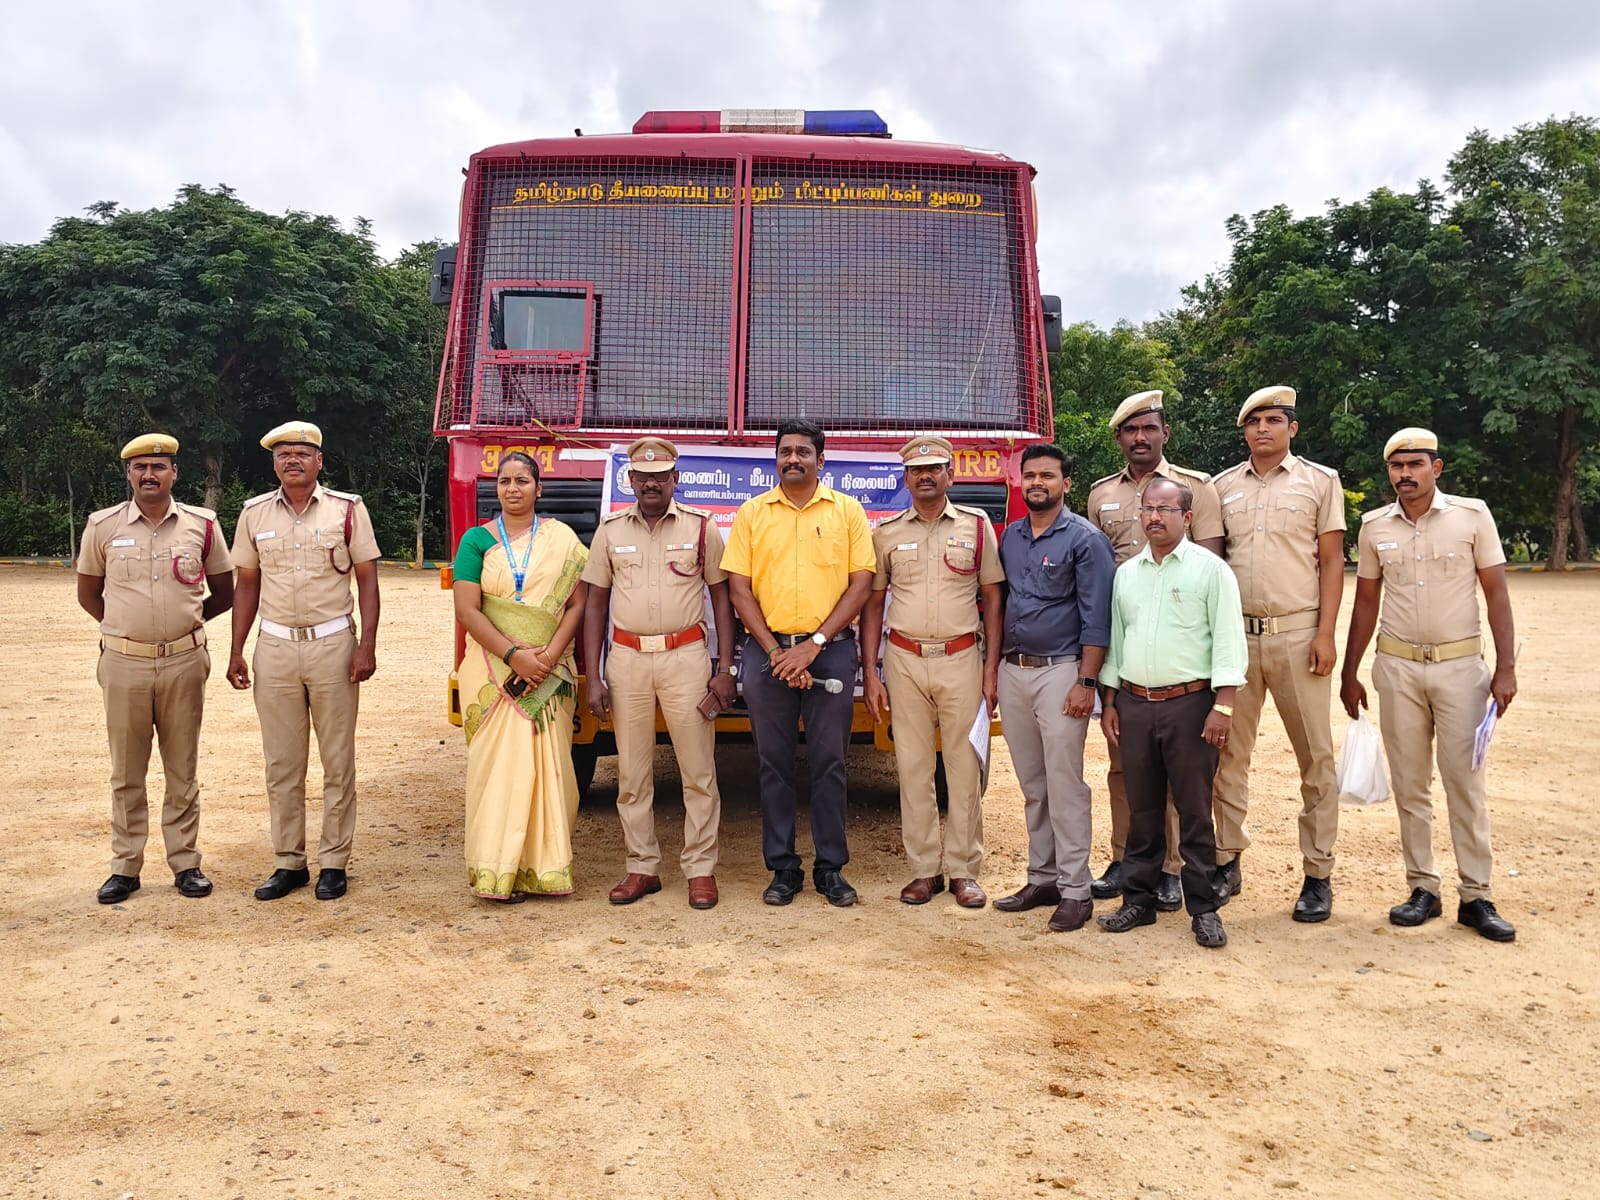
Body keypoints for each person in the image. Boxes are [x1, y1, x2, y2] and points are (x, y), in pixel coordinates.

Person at [1341, 428, 1518, 942]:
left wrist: (1505, 668)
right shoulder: (1375, 526)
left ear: (1435, 468)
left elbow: (1497, 595)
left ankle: (1476, 894)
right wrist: (1350, 672)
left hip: (1461, 669)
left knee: (1465, 783)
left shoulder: (1471, 516)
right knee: (1411, 784)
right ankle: (1423, 886)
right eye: (1397, 466)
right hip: (1396, 669)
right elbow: (1366, 603)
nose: (1405, 475)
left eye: (1415, 464)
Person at [723, 419, 875, 907]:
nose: (793, 459)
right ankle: (783, 869)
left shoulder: (847, 513)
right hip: (766, 652)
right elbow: (738, 589)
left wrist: (813, 644)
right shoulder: (751, 513)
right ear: (776, 458)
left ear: (820, 460)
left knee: (831, 762)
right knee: (774, 764)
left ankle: (831, 868)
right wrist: (774, 651)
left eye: (803, 452)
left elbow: (861, 585)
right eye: (785, 451)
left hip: (828, 651)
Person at [228, 421, 381, 902]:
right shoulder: (253, 514)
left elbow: (368, 582)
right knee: (282, 763)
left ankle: (334, 862)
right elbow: (247, 585)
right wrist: (237, 648)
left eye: (301, 453)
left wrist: (367, 645)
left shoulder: (347, 511)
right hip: (274, 647)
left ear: (320, 460)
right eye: (282, 454)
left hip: (333, 644)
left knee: (338, 760)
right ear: (273, 463)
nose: (291, 460)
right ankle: (288, 862)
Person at [77, 434, 234, 904]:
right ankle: (125, 867)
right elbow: (89, 594)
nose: (150, 474)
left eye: (159, 467)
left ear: (174, 473)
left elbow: (224, 592)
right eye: (141, 467)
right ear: (128, 474)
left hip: (184, 662)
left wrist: (187, 624)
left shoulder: (202, 525)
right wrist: (127, 629)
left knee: (182, 768)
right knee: (126, 770)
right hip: (124, 664)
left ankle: (186, 863)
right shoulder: (102, 526)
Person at [582, 437, 736, 910]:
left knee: (697, 771)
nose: (650, 483)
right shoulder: (609, 532)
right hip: (626, 660)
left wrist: (725, 667)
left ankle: (700, 869)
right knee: (632, 772)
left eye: (660, 475)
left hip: (686, 657)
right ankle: (642, 866)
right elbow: (595, 605)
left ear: (675, 478)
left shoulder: (702, 528)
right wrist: (593, 675)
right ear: (629, 481)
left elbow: (722, 600)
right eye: (642, 476)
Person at [1211, 386, 1346, 922]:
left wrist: (1326, 632)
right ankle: (1226, 860)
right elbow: (1215, 566)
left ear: (1292, 428)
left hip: (1298, 634)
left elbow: (1332, 561)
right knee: (1227, 755)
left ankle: (1318, 874)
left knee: (1315, 757)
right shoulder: (1221, 488)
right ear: (1244, 431)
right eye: (1253, 422)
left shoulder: (1320, 482)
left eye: (1273, 420)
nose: (1262, 429)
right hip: (1236, 640)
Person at [1086, 391, 1225, 911]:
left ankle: (1172, 869)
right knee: (1128, 769)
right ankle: (1127, 859)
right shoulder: (1102, 496)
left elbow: (1208, 569)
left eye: (1149, 428)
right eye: (1130, 430)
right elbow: (1099, 573)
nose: (1140, 437)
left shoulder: (1196, 488)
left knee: (1181, 773)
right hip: (1129, 638)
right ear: (1119, 438)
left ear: (1165, 432)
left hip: (1181, 645)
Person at [1098, 478, 1247, 948]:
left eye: (1166, 509)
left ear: (1187, 517)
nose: (1155, 517)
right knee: (1142, 810)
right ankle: (1137, 902)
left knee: (1194, 811)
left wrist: (1222, 706)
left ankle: (1203, 907)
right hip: (1135, 704)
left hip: (1192, 704)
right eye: (1148, 508)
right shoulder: (1128, 574)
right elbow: (1117, 644)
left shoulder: (1210, 570)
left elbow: (1228, 643)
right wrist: (1109, 701)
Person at [860, 436, 1005, 910]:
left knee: (964, 767)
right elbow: (874, 604)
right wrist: (871, 671)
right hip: (903, 660)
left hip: (962, 657)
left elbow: (993, 599)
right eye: (917, 470)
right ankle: (924, 871)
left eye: (936, 468)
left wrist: (990, 670)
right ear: (905, 479)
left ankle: (964, 870)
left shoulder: (977, 526)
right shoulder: (885, 533)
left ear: (949, 474)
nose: (926, 476)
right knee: (914, 768)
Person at [452, 451, 588, 901]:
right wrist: (514, 655)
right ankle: (496, 871)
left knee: (551, 766)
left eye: (522, 481)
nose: (513, 489)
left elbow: (577, 604)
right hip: (492, 671)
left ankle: (545, 869)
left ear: (538, 488)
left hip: (550, 669)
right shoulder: (475, 540)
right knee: (496, 769)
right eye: (504, 481)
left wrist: (547, 655)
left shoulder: (563, 539)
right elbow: (467, 608)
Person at [990, 444, 1115, 931]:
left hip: (1063, 672)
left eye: (1047, 475)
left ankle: (1076, 889)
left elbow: (1097, 618)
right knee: (1032, 784)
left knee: (1065, 784)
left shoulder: (1085, 539)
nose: (1036, 482)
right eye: (1030, 475)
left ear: (1067, 484)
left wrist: (1087, 682)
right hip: (1014, 670)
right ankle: (1042, 877)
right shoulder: (1012, 536)